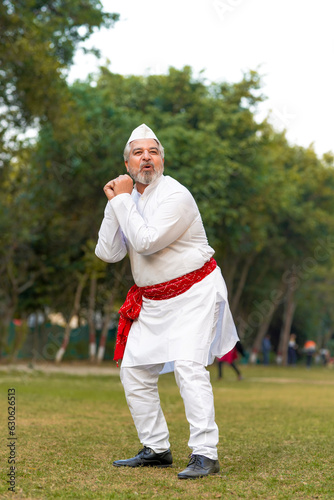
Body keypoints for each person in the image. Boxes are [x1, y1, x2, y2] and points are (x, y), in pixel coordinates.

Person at [95, 124, 238, 480]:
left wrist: (122, 200)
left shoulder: (177, 196)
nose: (146, 158)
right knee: (134, 371)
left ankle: (206, 453)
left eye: (153, 152)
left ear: (162, 160)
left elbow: (145, 242)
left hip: (195, 293)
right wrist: (115, 204)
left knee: (189, 367)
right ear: (127, 163)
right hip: (154, 302)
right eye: (138, 153)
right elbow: (108, 252)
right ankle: (156, 448)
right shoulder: (129, 200)